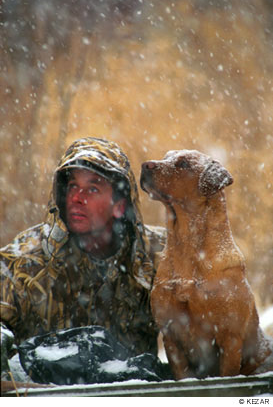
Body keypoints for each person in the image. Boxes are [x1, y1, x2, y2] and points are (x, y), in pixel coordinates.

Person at [0, 137, 166, 382]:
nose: (76, 198)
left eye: (93, 188)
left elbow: (206, 328)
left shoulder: (159, 255)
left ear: (119, 206)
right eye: (72, 186)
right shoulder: (25, 257)